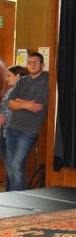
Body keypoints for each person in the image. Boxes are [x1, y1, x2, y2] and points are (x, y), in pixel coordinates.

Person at [5, 52, 49, 192]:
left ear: (42, 65)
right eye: (30, 62)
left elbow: (37, 105)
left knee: (17, 164)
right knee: (10, 165)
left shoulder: (46, 80)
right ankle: (12, 195)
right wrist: (26, 104)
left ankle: (19, 198)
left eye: (36, 62)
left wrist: (18, 101)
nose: (32, 65)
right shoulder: (22, 80)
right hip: (12, 127)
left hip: (28, 130)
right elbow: (9, 103)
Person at [1, 65, 27, 190]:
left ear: (18, 76)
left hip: (14, 133)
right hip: (4, 132)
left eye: (9, 75)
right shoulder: (10, 90)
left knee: (14, 166)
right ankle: (10, 192)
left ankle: (17, 194)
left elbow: (20, 112)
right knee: (9, 165)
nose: (6, 79)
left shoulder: (23, 91)